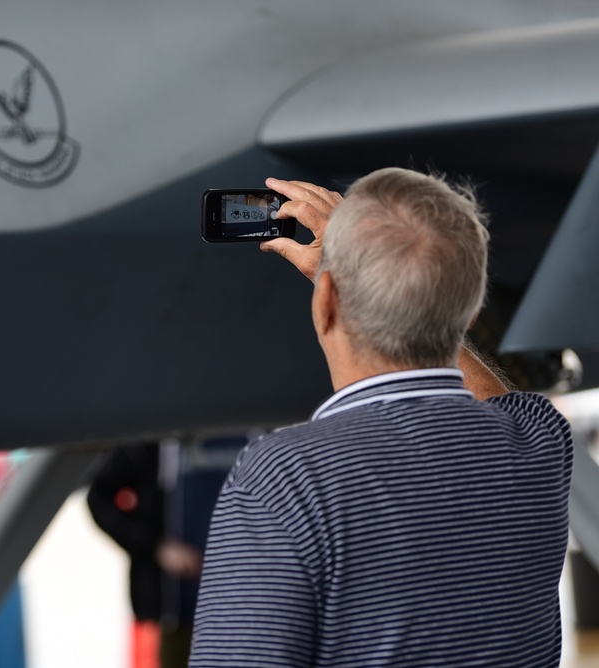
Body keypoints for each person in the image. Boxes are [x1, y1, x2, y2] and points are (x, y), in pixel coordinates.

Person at [189, 169, 573, 667]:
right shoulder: (538, 441)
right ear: (471, 312)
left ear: (324, 302)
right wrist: (433, 305)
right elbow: (497, 403)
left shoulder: (284, 479)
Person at [87, 443, 203, 668]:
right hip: (168, 609)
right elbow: (99, 498)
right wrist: (155, 546)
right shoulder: (148, 446)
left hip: (231, 607)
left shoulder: (246, 437)